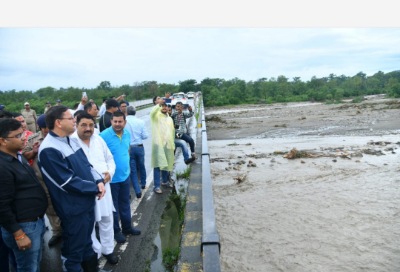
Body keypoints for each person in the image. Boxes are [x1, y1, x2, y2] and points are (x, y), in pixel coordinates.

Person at [38, 105, 106, 272]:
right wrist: (94, 188)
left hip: (86, 203)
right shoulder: (49, 149)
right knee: (74, 250)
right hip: (73, 209)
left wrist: (98, 180)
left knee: (87, 243)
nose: (74, 121)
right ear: (59, 122)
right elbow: (67, 182)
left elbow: (87, 165)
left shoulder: (71, 140)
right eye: (70, 118)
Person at [0, 118, 48, 271]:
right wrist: (18, 234)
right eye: (18, 136)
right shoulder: (2, 166)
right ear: (2, 141)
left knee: (34, 263)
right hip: (23, 226)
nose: (23, 139)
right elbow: (2, 205)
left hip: (34, 222)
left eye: (22, 134)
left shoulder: (17, 155)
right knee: (28, 267)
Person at [72, 113, 119, 265]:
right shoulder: (71, 142)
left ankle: (108, 250)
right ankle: (95, 253)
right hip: (85, 191)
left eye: (91, 125)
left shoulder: (98, 140)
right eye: (84, 125)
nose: (88, 128)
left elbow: (110, 159)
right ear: (76, 125)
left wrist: (109, 174)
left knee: (106, 219)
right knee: (89, 225)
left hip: (104, 188)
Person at [100, 111, 141, 244]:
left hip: (124, 177)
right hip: (111, 180)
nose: (117, 124)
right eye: (115, 121)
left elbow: (126, 151)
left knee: (125, 204)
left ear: (125, 122)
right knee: (114, 208)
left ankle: (127, 228)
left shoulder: (127, 134)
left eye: (120, 121)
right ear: (111, 121)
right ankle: (116, 231)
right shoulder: (103, 136)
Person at [22, 114, 63, 247]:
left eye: (48, 127)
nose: (46, 130)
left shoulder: (60, 137)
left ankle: (68, 229)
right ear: (39, 127)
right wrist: (34, 152)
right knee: (50, 207)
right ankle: (57, 231)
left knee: (63, 204)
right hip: (41, 180)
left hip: (59, 180)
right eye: (43, 127)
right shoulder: (32, 139)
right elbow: (24, 156)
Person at [150, 101, 175, 194]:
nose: (164, 107)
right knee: (157, 165)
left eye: (165, 106)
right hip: (158, 145)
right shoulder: (156, 116)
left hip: (167, 144)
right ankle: (156, 186)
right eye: (162, 106)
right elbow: (152, 112)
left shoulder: (169, 119)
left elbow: (172, 132)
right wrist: (158, 105)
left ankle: (165, 181)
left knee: (166, 164)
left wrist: (172, 144)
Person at [125, 106, 149, 198]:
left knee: (133, 170)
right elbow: (145, 136)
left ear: (126, 112)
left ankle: (137, 191)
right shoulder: (140, 122)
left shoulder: (124, 122)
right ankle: (143, 184)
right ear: (135, 112)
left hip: (129, 148)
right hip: (139, 147)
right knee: (142, 166)